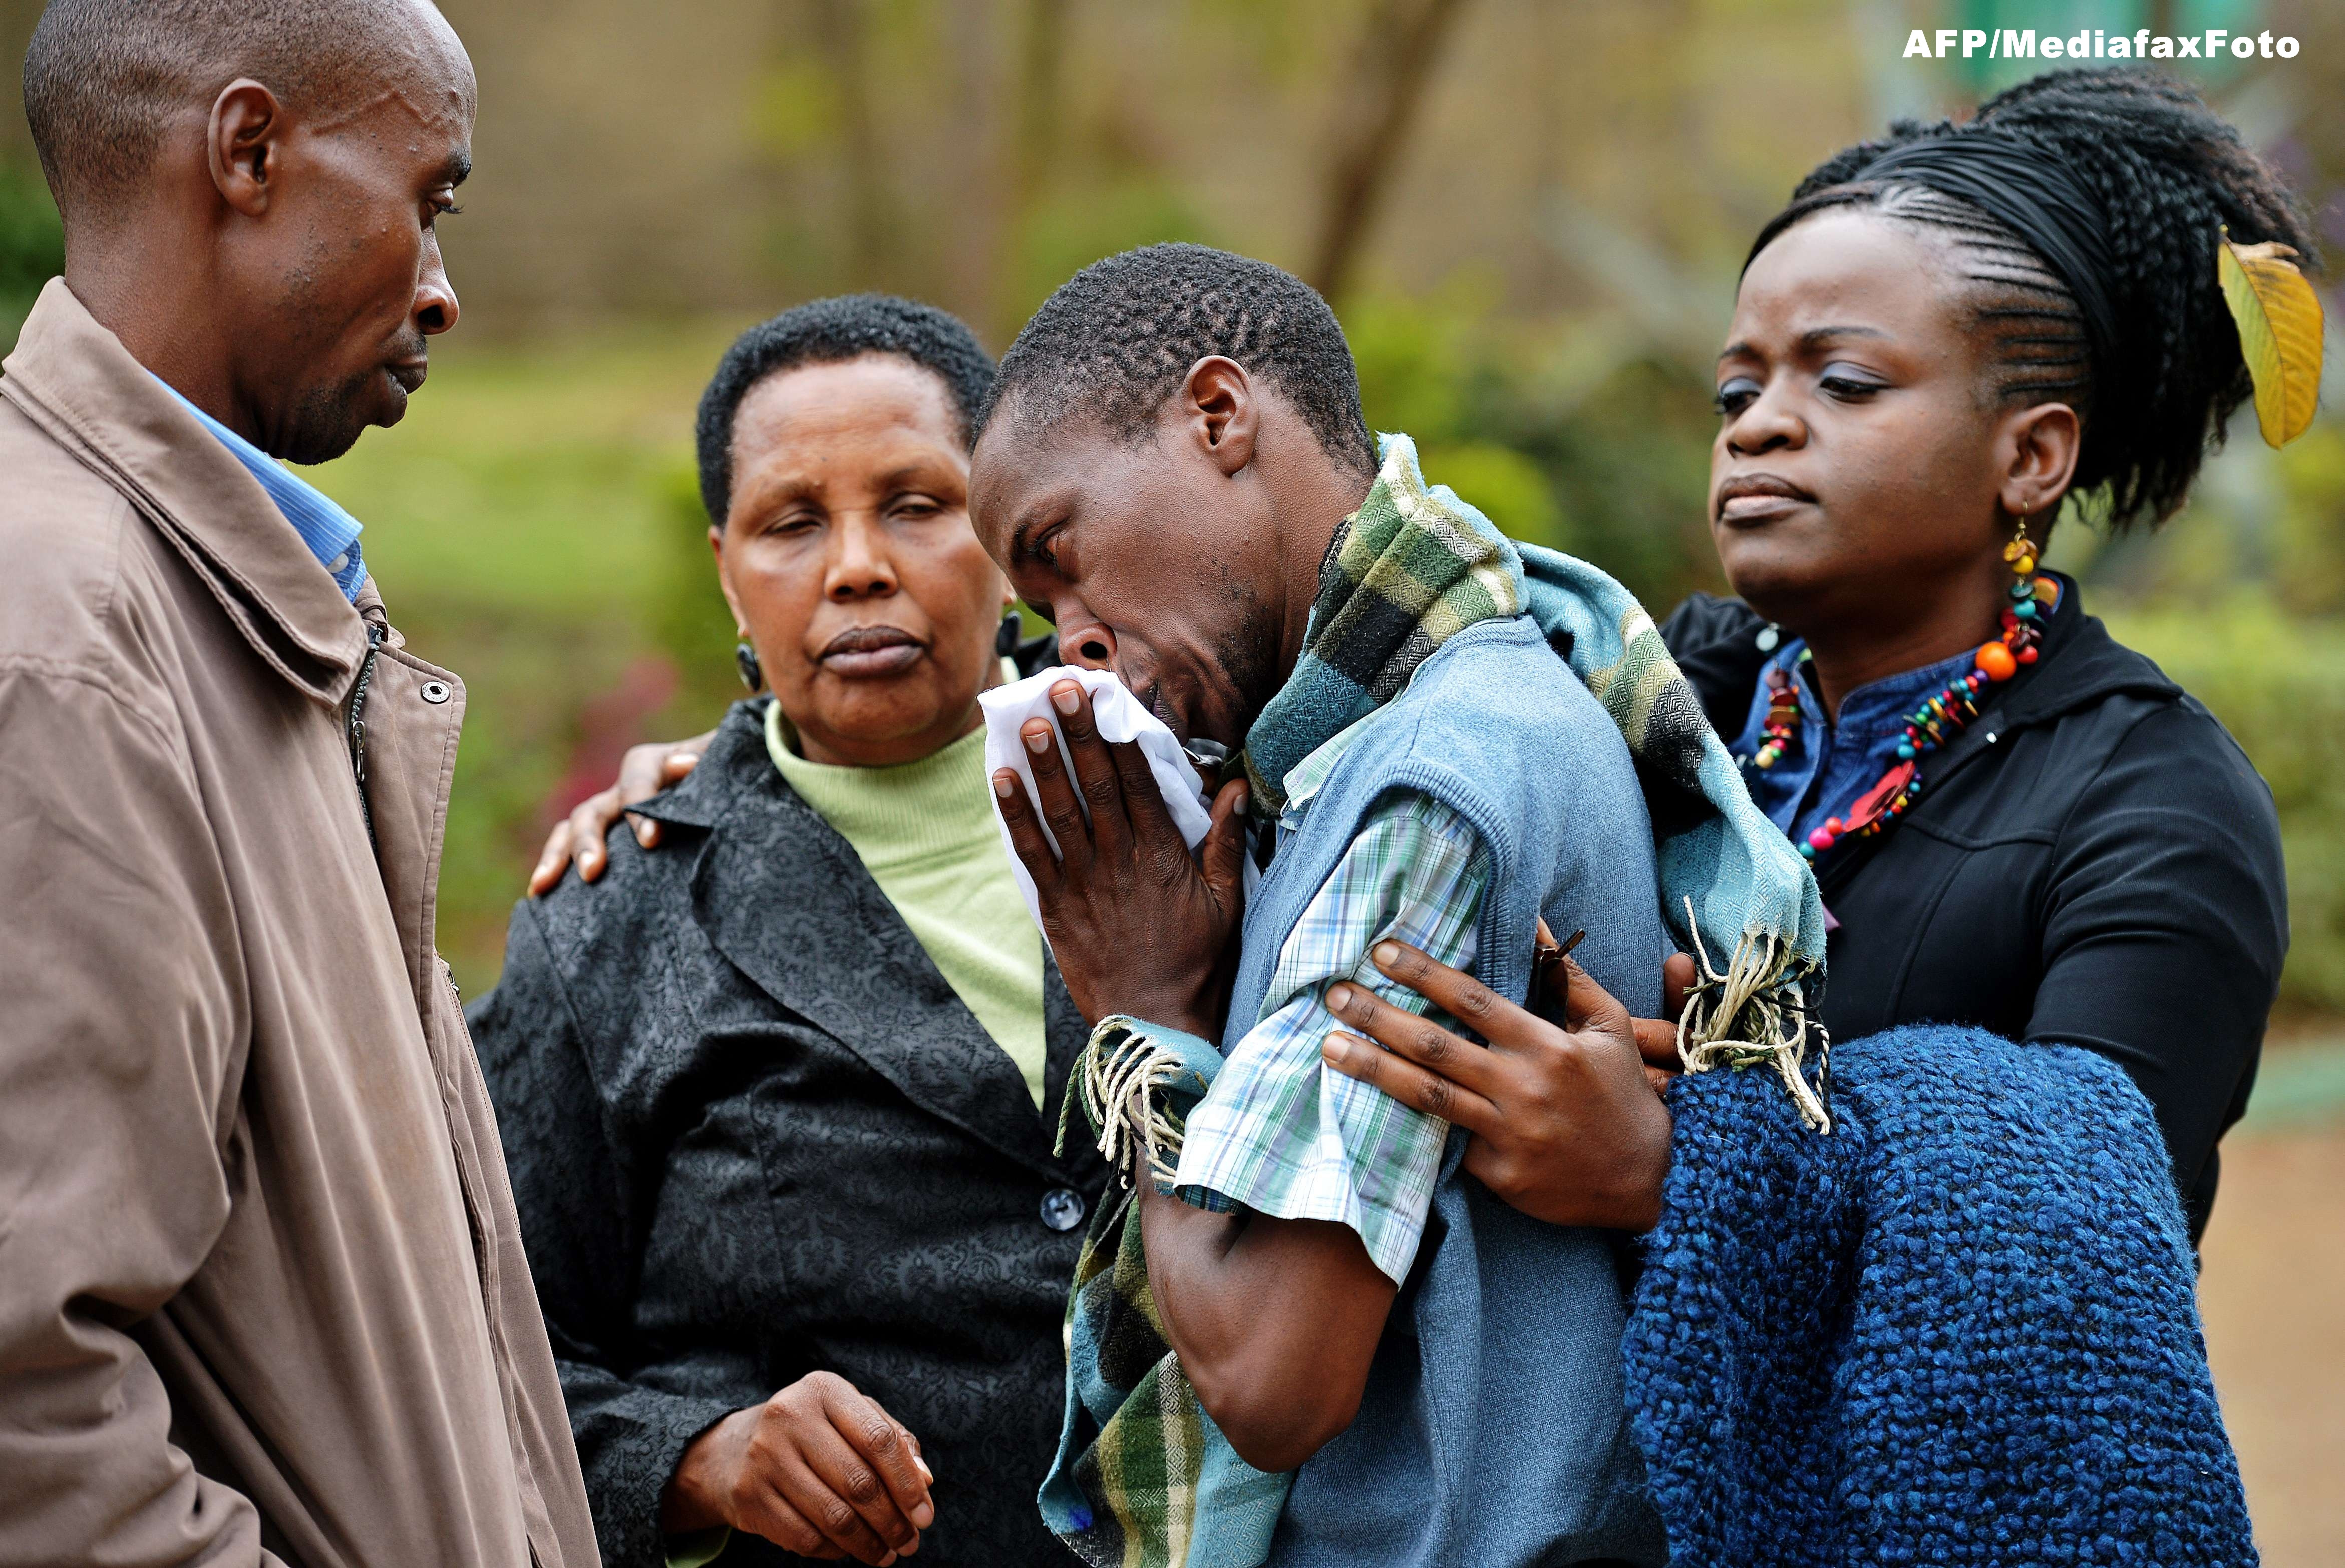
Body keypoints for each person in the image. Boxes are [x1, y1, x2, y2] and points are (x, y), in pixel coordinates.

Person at [1317, 68, 2298, 1248]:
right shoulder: (1658, 691)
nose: (1755, 426)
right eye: (1737, 387)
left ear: (2030, 457)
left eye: (1843, 381)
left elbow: (2086, 1230)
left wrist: (1673, 1168)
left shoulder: (2155, 803)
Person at [973, 243, 1800, 1567]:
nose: (1069, 637)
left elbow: (1271, 1380)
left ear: (1216, 414)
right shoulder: (1466, 690)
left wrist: (1140, 1012)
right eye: (1039, 608)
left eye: (1059, 553)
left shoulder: (1423, 779)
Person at [0, 3, 599, 1566]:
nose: (445, 290)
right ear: (249, 152)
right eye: (429, 201)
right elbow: (26, 1402)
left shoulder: (234, 592)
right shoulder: (63, 643)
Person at [468, 296, 1112, 1568]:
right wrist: (698, 1458)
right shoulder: (616, 918)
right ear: (725, 569)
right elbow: (489, 1352)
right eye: (793, 522)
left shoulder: (1178, 793)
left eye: (918, 505)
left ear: (1004, 524)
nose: (858, 564)